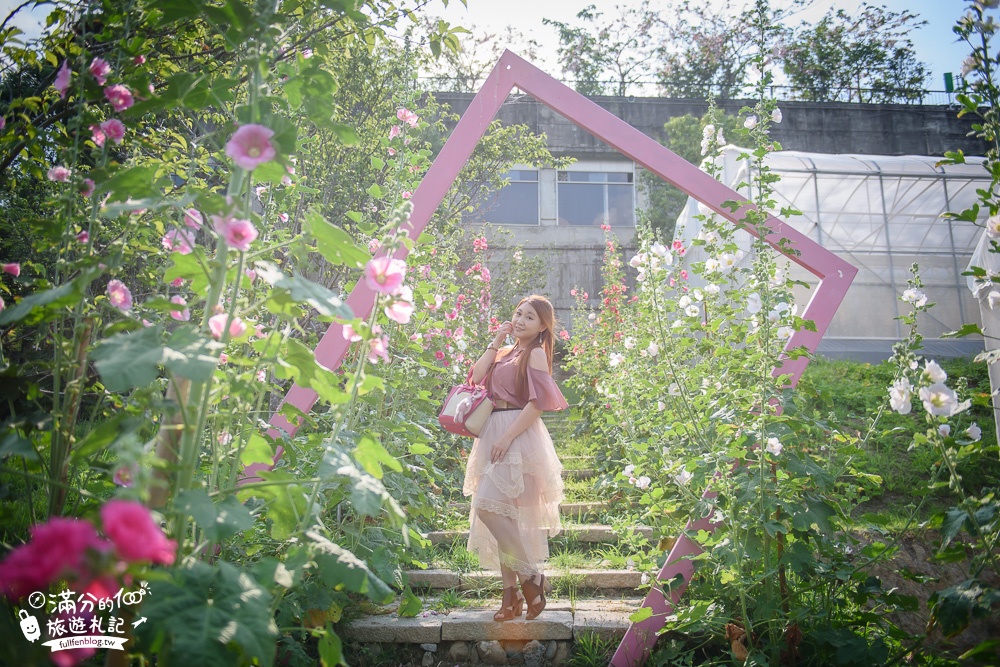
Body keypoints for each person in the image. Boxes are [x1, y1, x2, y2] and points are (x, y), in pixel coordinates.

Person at [463, 294, 568, 622]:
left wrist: (508, 438)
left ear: (542, 327)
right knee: (502, 514)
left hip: (515, 434)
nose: (521, 320)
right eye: (518, 313)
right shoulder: (506, 351)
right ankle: (511, 599)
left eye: (530, 317)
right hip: (492, 433)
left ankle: (531, 577)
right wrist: (496, 341)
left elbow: (537, 404)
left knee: (488, 508)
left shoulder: (536, 354)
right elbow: (475, 378)